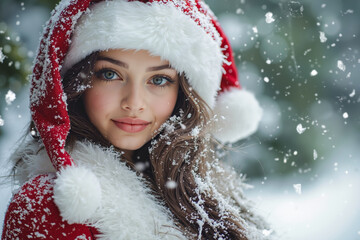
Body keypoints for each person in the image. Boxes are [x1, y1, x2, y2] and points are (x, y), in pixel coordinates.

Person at [1, 0, 270, 239]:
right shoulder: (49, 204)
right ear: (75, 83)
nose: (134, 103)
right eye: (110, 74)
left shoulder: (205, 193)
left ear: (184, 94)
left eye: (159, 79)